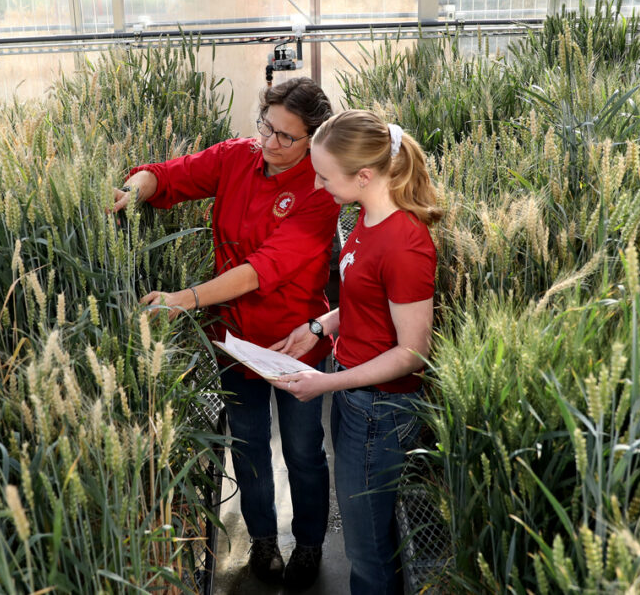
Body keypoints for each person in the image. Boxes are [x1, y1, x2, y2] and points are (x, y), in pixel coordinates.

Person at [111, 77, 338, 588]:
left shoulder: (322, 189)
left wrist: (183, 299)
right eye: (266, 127)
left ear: (314, 140)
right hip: (235, 339)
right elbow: (171, 176)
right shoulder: (238, 157)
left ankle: (310, 544)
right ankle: (263, 542)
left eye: (286, 137)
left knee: (303, 448)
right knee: (250, 443)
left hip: (296, 341)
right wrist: (135, 188)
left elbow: (264, 268)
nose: (270, 143)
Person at [270, 110, 440, 595]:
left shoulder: (406, 244)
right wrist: (318, 327)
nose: (319, 186)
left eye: (324, 176)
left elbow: (412, 352)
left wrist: (325, 383)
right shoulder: (366, 216)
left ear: (364, 176)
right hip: (355, 394)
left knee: (367, 551)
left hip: (380, 409)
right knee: (365, 535)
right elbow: (365, 300)